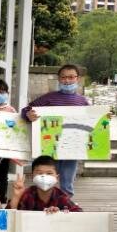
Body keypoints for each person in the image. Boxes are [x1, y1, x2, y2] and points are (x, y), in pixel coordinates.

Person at [21, 63, 89, 197]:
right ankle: (43, 201)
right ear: (58, 79)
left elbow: (92, 121)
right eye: (63, 77)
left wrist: (104, 118)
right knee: (47, 178)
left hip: (72, 147)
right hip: (50, 146)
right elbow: (26, 110)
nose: (67, 80)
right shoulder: (49, 98)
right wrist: (28, 115)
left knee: (67, 181)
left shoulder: (83, 101)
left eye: (71, 77)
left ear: (78, 79)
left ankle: (66, 203)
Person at [9, 156, 83, 212]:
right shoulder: (27, 194)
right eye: (39, 173)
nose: (44, 176)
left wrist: (60, 212)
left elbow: (79, 213)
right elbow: (9, 215)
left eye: (49, 173)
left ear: (57, 178)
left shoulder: (61, 197)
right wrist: (16, 196)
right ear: (32, 176)